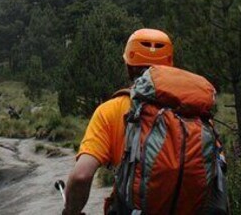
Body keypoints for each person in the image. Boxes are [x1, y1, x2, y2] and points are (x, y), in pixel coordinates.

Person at [62, 28, 174, 215]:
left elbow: (81, 176)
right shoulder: (191, 107)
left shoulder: (110, 111)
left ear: (128, 66)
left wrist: (70, 211)